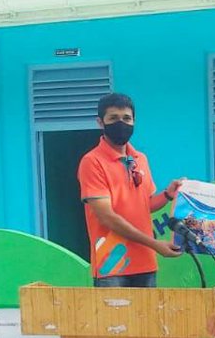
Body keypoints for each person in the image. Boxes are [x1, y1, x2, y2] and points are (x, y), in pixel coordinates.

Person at [77, 92, 183, 287]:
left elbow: (145, 205)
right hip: (112, 265)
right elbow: (107, 217)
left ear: (134, 121)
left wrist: (168, 194)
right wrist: (154, 244)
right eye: (113, 118)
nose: (121, 123)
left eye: (126, 118)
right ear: (100, 122)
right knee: (115, 310)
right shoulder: (92, 162)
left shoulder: (140, 159)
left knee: (149, 309)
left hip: (145, 263)